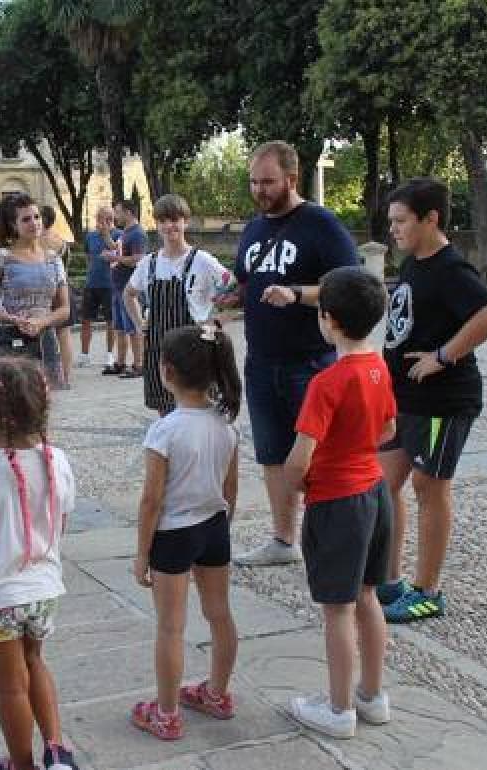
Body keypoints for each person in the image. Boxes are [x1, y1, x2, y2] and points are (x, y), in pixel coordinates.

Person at [378, 178, 487, 623]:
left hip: (442, 403)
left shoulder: (452, 269)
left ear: (430, 219)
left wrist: (442, 356)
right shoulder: (416, 262)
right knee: (382, 483)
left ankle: (427, 591)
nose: (392, 229)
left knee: (428, 488)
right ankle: (389, 579)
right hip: (405, 400)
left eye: (400, 221)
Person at [232, 140, 359, 567]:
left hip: (309, 362)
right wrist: (231, 296)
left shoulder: (320, 224)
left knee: (318, 455)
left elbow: (352, 284)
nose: (258, 190)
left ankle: (329, 539)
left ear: (291, 178)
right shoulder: (254, 227)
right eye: (253, 181)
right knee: (271, 453)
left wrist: (299, 294)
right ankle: (284, 540)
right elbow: (247, 280)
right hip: (260, 361)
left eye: (267, 182)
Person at [282, 266, 396, 738]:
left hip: (337, 501)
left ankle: (338, 708)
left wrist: (297, 485)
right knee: (368, 596)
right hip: (375, 491)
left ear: (327, 319)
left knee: (337, 608)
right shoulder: (379, 366)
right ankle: (372, 696)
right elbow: (388, 430)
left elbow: (298, 458)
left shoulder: (326, 383)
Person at [0, 357, 79, 770]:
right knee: (35, 662)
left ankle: (20, 763)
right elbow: (61, 523)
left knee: (10, 688)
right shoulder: (57, 460)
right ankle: (57, 750)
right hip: (44, 590)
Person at [129, 324, 241, 741]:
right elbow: (231, 489)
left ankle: (167, 712)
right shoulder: (226, 425)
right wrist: (220, 530)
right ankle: (218, 693)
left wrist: (142, 554)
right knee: (220, 614)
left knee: (170, 627)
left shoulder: (166, 429)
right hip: (214, 526)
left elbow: (151, 501)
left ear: (167, 371)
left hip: (174, 533)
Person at [124, 194, 235, 416]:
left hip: (196, 349)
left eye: (174, 219)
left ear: (185, 221)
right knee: (165, 413)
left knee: (201, 412)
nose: (169, 226)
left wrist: (215, 323)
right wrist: (140, 324)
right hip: (160, 349)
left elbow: (234, 289)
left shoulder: (203, 261)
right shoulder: (149, 263)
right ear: (157, 224)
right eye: (163, 221)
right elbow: (129, 294)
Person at [0, 193, 70, 389]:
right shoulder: (0, 259)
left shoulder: (54, 260)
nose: (34, 223)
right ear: (13, 225)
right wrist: (14, 319)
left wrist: (42, 321)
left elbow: (64, 309)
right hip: (10, 341)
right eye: (26, 219)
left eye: (36, 217)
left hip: (46, 343)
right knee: (9, 404)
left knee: (42, 406)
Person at [103, 199, 146, 379]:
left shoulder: (137, 233)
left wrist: (116, 259)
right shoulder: (125, 233)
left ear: (128, 212)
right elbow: (117, 248)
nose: (115, 215)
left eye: (118, 212)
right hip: (118, 287)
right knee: (120, 327)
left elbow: (138, 259)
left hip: (130, 289)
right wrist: (105, 234)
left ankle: (139, 364)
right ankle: (120, 363)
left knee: (133, 327)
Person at [40, 204, 76, 384]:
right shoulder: (60, 240)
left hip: (48, 292)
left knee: (46, 334)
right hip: (64, 288)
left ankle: (47, 376)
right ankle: (66, 376)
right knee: (64, 334)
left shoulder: (39, 242)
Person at [79, 206, 118, 369]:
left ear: (110, 220)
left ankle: (109, 355)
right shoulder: (90, 236)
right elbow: (88, 256)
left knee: (111, 321)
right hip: (91, 284)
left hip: (110, 285)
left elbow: (116, 251)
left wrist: (106, 234)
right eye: (98, 219)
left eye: (102, 219)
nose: (99, 223)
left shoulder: (119, 234)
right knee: (86, 320)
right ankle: (85, 355)